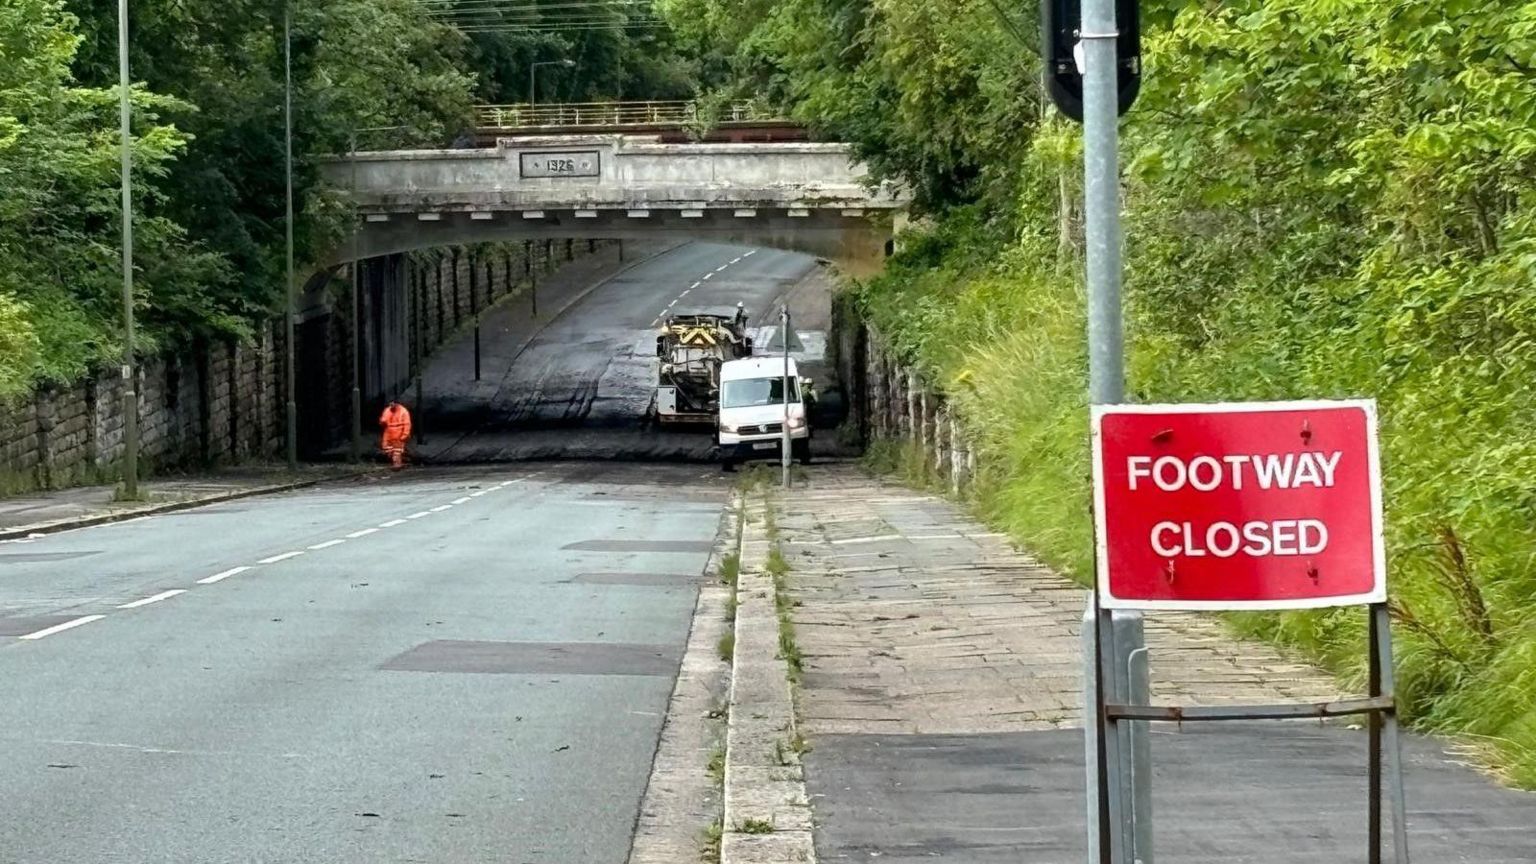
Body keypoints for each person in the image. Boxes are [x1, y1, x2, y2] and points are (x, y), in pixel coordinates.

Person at [379, 401, 413, 469]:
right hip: (388, 432)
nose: (391, 405)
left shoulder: (404, 411)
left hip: (398, 433)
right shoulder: (387, 410)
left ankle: (397, 463)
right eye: (390, 404)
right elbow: (382, 421)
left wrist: (405, 434)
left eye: (393, 404)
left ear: (397, 404)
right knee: (387, 448)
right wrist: (382, 421)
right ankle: (399, 459)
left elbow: (407, 424)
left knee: (397, 450)